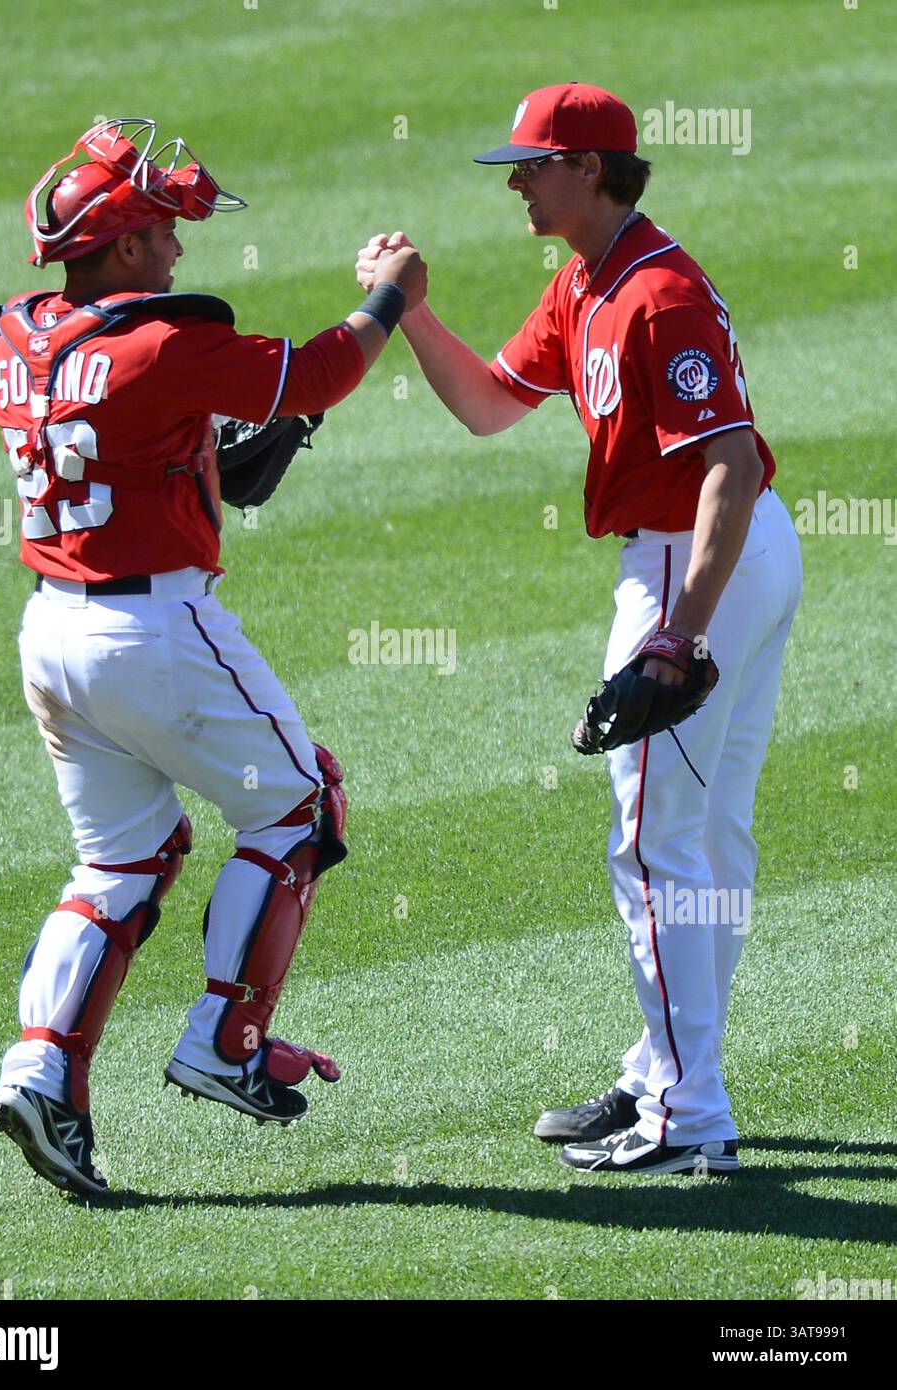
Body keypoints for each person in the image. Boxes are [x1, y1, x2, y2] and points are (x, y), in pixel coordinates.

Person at [0, 118, 426, 1197]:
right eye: (162, 230)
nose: (176, 249)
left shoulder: (15, 340)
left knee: (120, 857)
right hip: (154, 629)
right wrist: (389, 294)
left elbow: (103, 412)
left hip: (52, 635)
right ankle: (228, 1040)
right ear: (120, 247)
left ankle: (41, 1073)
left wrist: (190, 454)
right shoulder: (165, 346)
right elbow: (317, 373)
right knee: (301, 806)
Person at [357, 83, 801, 1176]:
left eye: (534, 164)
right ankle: (665, 1070)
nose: (516, 180)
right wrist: (405, 309)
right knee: (706, 838)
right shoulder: (585, 282)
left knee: (656, 845)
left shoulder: (659, 293)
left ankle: (689, 1115)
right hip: (714, 555)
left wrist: (676, 637)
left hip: (699, 555)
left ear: (592, 169)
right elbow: (489, 405)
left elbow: (730, 469)